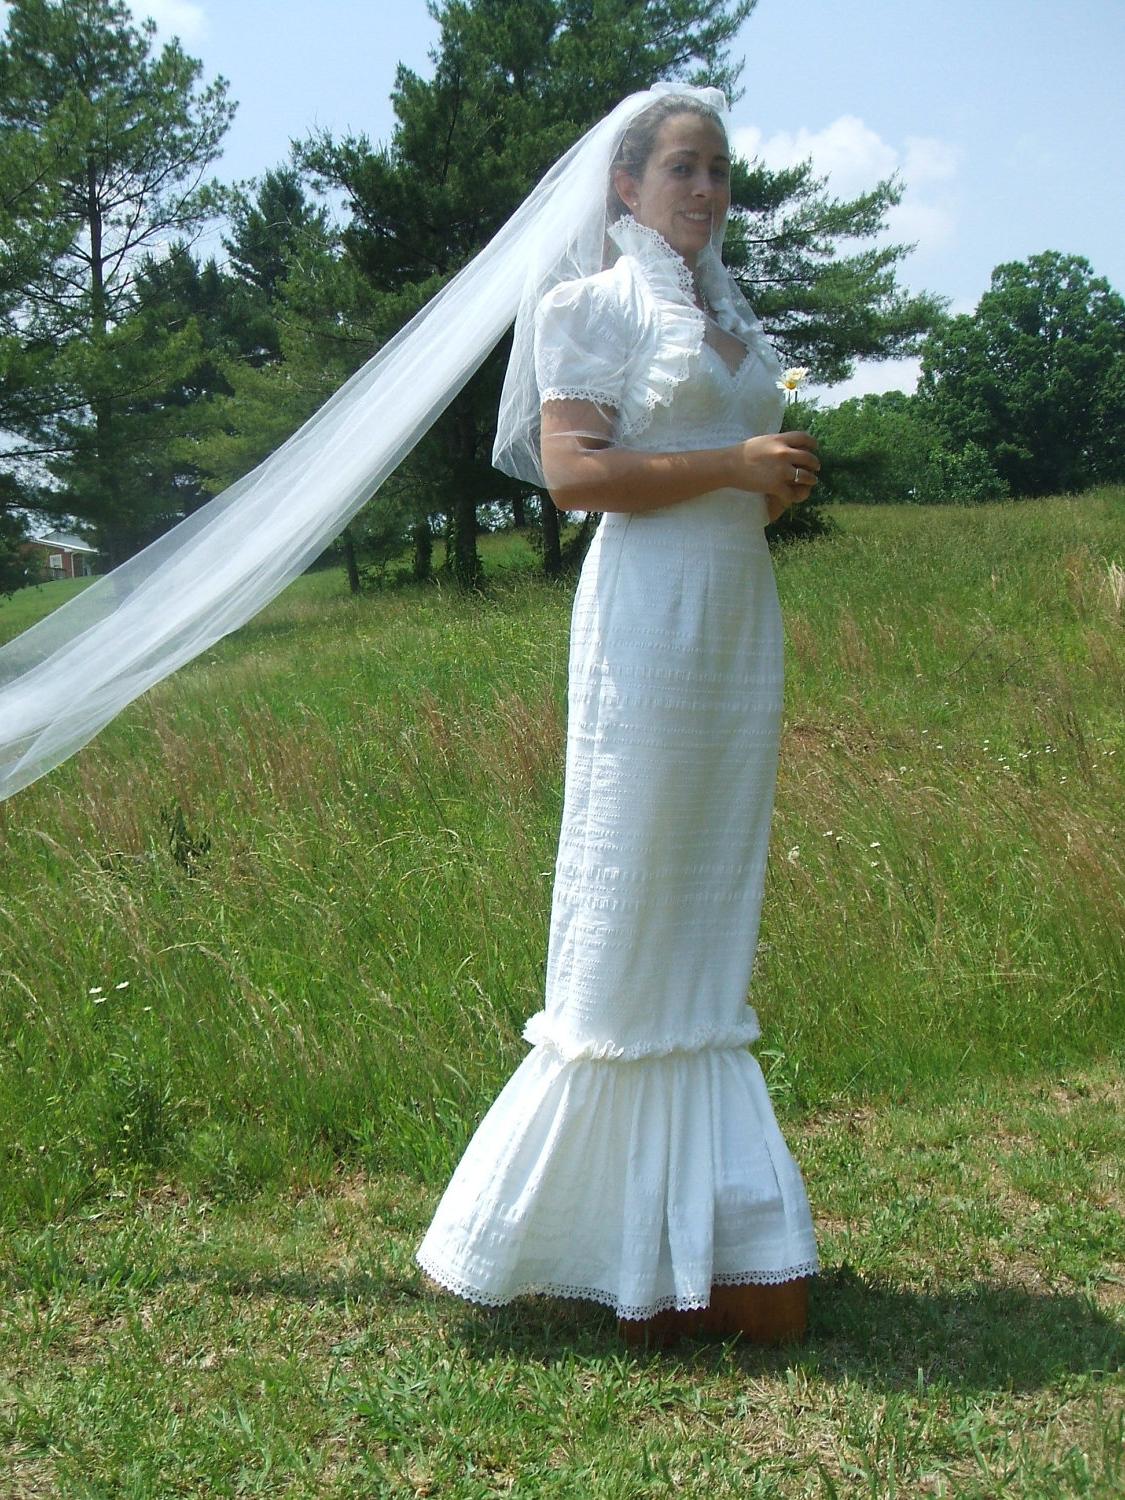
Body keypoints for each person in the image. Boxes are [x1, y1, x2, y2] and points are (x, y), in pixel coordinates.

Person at [415, 88, 822, 1348]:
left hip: (735, 616)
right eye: (683, 169)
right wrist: (732, 467)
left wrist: (773, 487)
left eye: (720, 173)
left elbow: (722, 469)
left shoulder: (730, 314)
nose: (705, 191)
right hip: (646, 622)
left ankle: (724, 1233)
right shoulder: (585, 308)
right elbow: (579, 471)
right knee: (631, 889)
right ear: (626, 187)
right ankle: (586, 1233)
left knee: (707, 896)